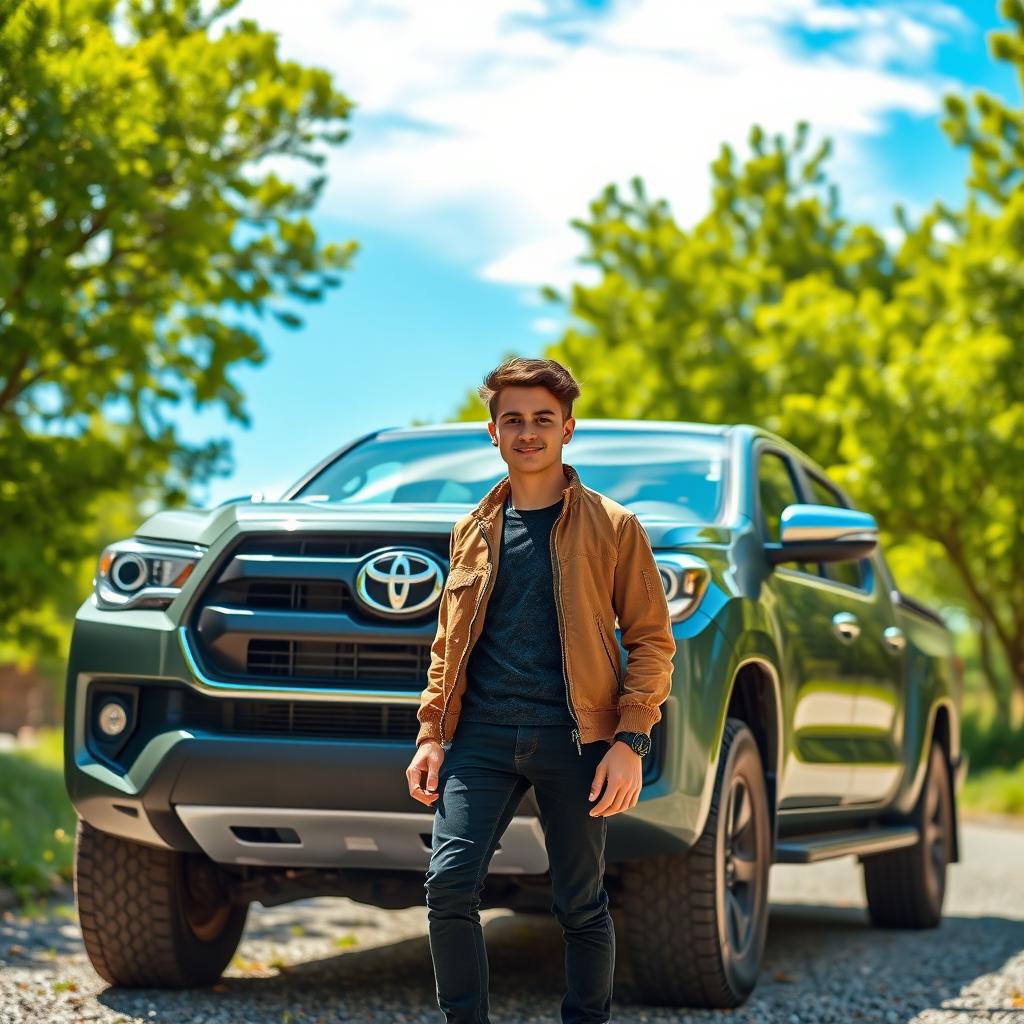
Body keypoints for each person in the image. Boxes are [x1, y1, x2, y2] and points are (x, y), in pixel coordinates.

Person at [405, 356, 675, 1024]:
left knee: (579, 902)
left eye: (543, 420)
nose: (529, 433)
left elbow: (652, 641)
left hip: (575, 738)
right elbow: (448, 645)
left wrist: (630, 742)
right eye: (514, 420)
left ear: (568, 429)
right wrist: (432, 736)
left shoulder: (614, 526)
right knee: (447, 888)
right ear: (492, 432)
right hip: (482, 738)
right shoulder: (470, 531)